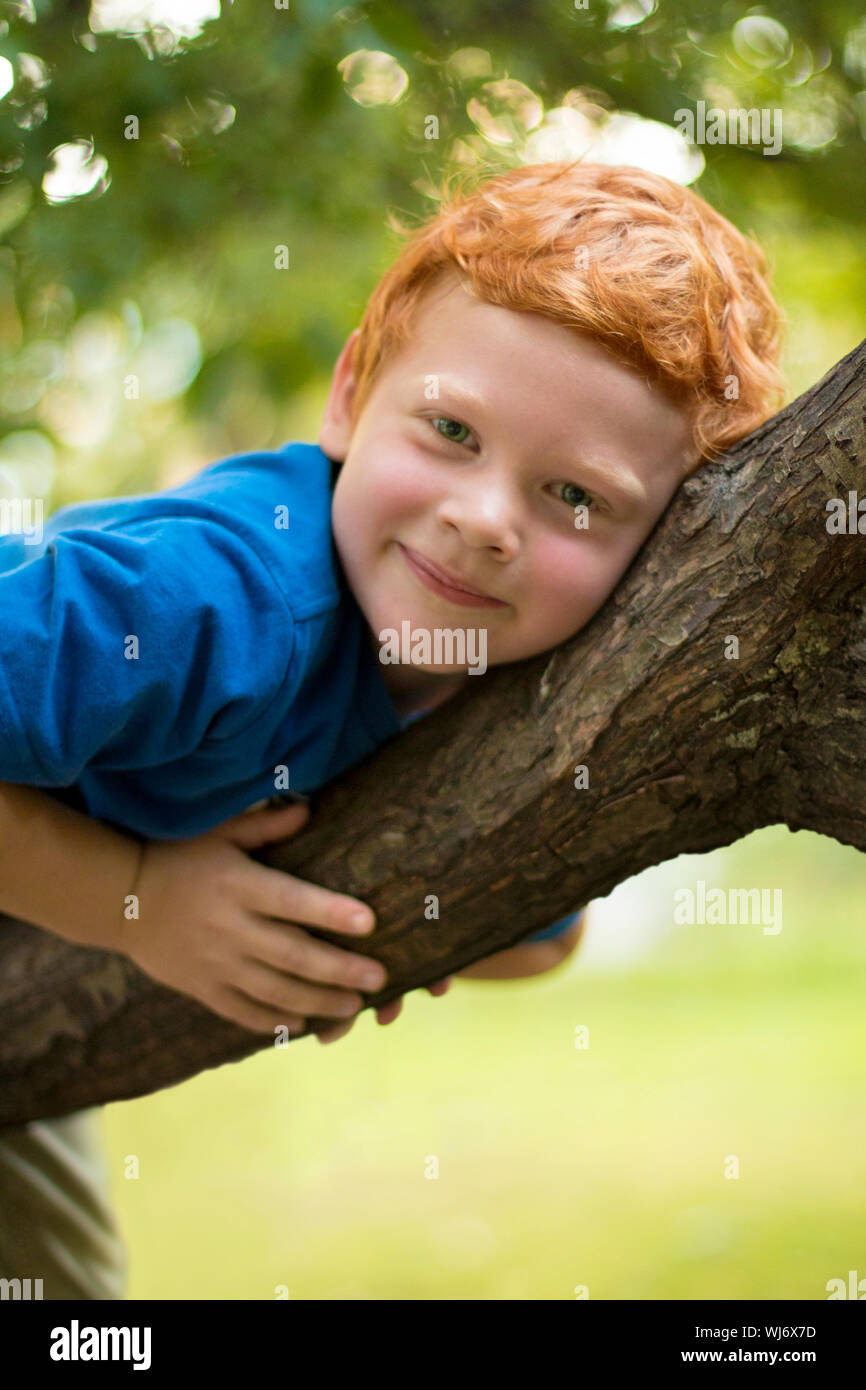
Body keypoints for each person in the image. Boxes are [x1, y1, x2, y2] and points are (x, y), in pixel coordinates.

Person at [0, 159, 786, 1298]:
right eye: (451, 430)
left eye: (574, 498)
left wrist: (422, 919)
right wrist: (135, 896)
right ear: (350, 396)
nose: (482, 520)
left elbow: (541, 937)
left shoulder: (506, 681)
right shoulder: (201, 604)